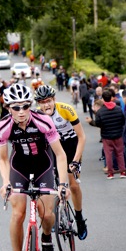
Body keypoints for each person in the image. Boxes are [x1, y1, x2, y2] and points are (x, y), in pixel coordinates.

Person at [0, 84, 69, 251]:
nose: (21, 112)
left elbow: (61, 155)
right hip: (19, 168)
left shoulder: (43, 121)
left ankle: (46, 238)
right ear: (8, 107)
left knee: (46, 214)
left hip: (44, 166)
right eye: (16, 107)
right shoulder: (2, 127)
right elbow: (2, 160)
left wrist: (63, 184)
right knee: (18, 214)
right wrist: (5, 183)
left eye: (26, 106)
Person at [34, 85, 87, 240]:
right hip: (53, 148)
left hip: (71, 146)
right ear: (38, 103)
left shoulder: (66, 109)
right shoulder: (37, 116)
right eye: (42, 102)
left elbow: (82, 137)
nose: (46, 105)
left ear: (54, 100)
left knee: (74, 184)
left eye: (48, 101)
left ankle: (79, 217)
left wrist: (76, 161)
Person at [94, 89, 126, 179]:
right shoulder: (118, 109)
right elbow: (123, 120)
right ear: (111, 98)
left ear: (103, 99)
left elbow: (97, 123)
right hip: (118, 134)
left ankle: (110, 173)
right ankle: (123, 172)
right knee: (120, 153)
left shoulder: (100, 111)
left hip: (106, 136)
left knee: (108, 154)